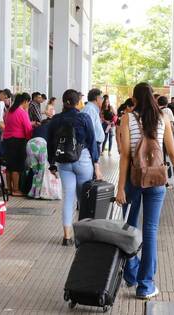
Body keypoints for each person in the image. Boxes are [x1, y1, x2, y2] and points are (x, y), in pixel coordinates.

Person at [116, 82, 174, 299]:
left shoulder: (127, 118)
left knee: (128, 228)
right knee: (150, 231)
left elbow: (124, 157)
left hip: (134, 179)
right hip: (157, 180)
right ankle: (145, 285)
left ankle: (131, 274)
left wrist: (120, 188)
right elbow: (173, 153)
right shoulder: (163, 118)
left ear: (135, 99)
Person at [47, 89, 101, 245]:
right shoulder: (83, 117)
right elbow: (92, 142)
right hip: (83, 160)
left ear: (64, 102)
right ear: (78, 102)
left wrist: (52, 164)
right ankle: (82, 235)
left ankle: (66, 236)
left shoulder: (55, 119)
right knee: (83, 199)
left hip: (64, 162)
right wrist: (96, 165)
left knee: (68, 197)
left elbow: (51, 143)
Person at [3, 93, 33, 196]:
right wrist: (30, 139)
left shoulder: (9, 111)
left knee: (9, 165)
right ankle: (16, 190)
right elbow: (28, 128)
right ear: (25, 101)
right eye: (28, 103)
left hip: (7, 140)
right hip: (18, 141)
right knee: (17, 166)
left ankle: (9, 189)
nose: (28, 105)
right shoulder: (22, 112)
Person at [26, 120, 50, 199]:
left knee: (35, 171)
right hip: (41, 145)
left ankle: (31, 192)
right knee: (41, 171)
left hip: (30, 144)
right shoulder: (50, 128)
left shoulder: (37, 128)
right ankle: (37, 193)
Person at [81, 88, 106, 154]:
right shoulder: (90, 110)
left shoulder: (91, 109)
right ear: (97, 98)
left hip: (94, 145)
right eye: (102, 98)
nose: (103, 100)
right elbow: (89, 132)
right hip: (92, 146)